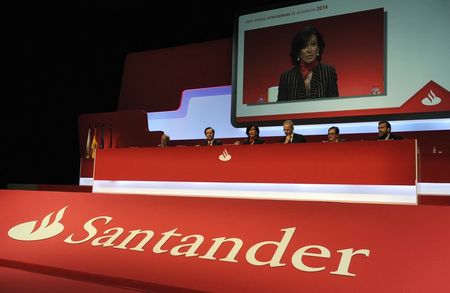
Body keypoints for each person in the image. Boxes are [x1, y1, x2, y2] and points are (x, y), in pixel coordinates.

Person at [277, 26, 339, 101]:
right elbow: (281, 109)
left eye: (313, 44)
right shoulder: (286, 77)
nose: (309, 50)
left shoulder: (328, 72)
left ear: (318, 48)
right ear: (298, 51)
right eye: (304, 46)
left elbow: (334, 104)